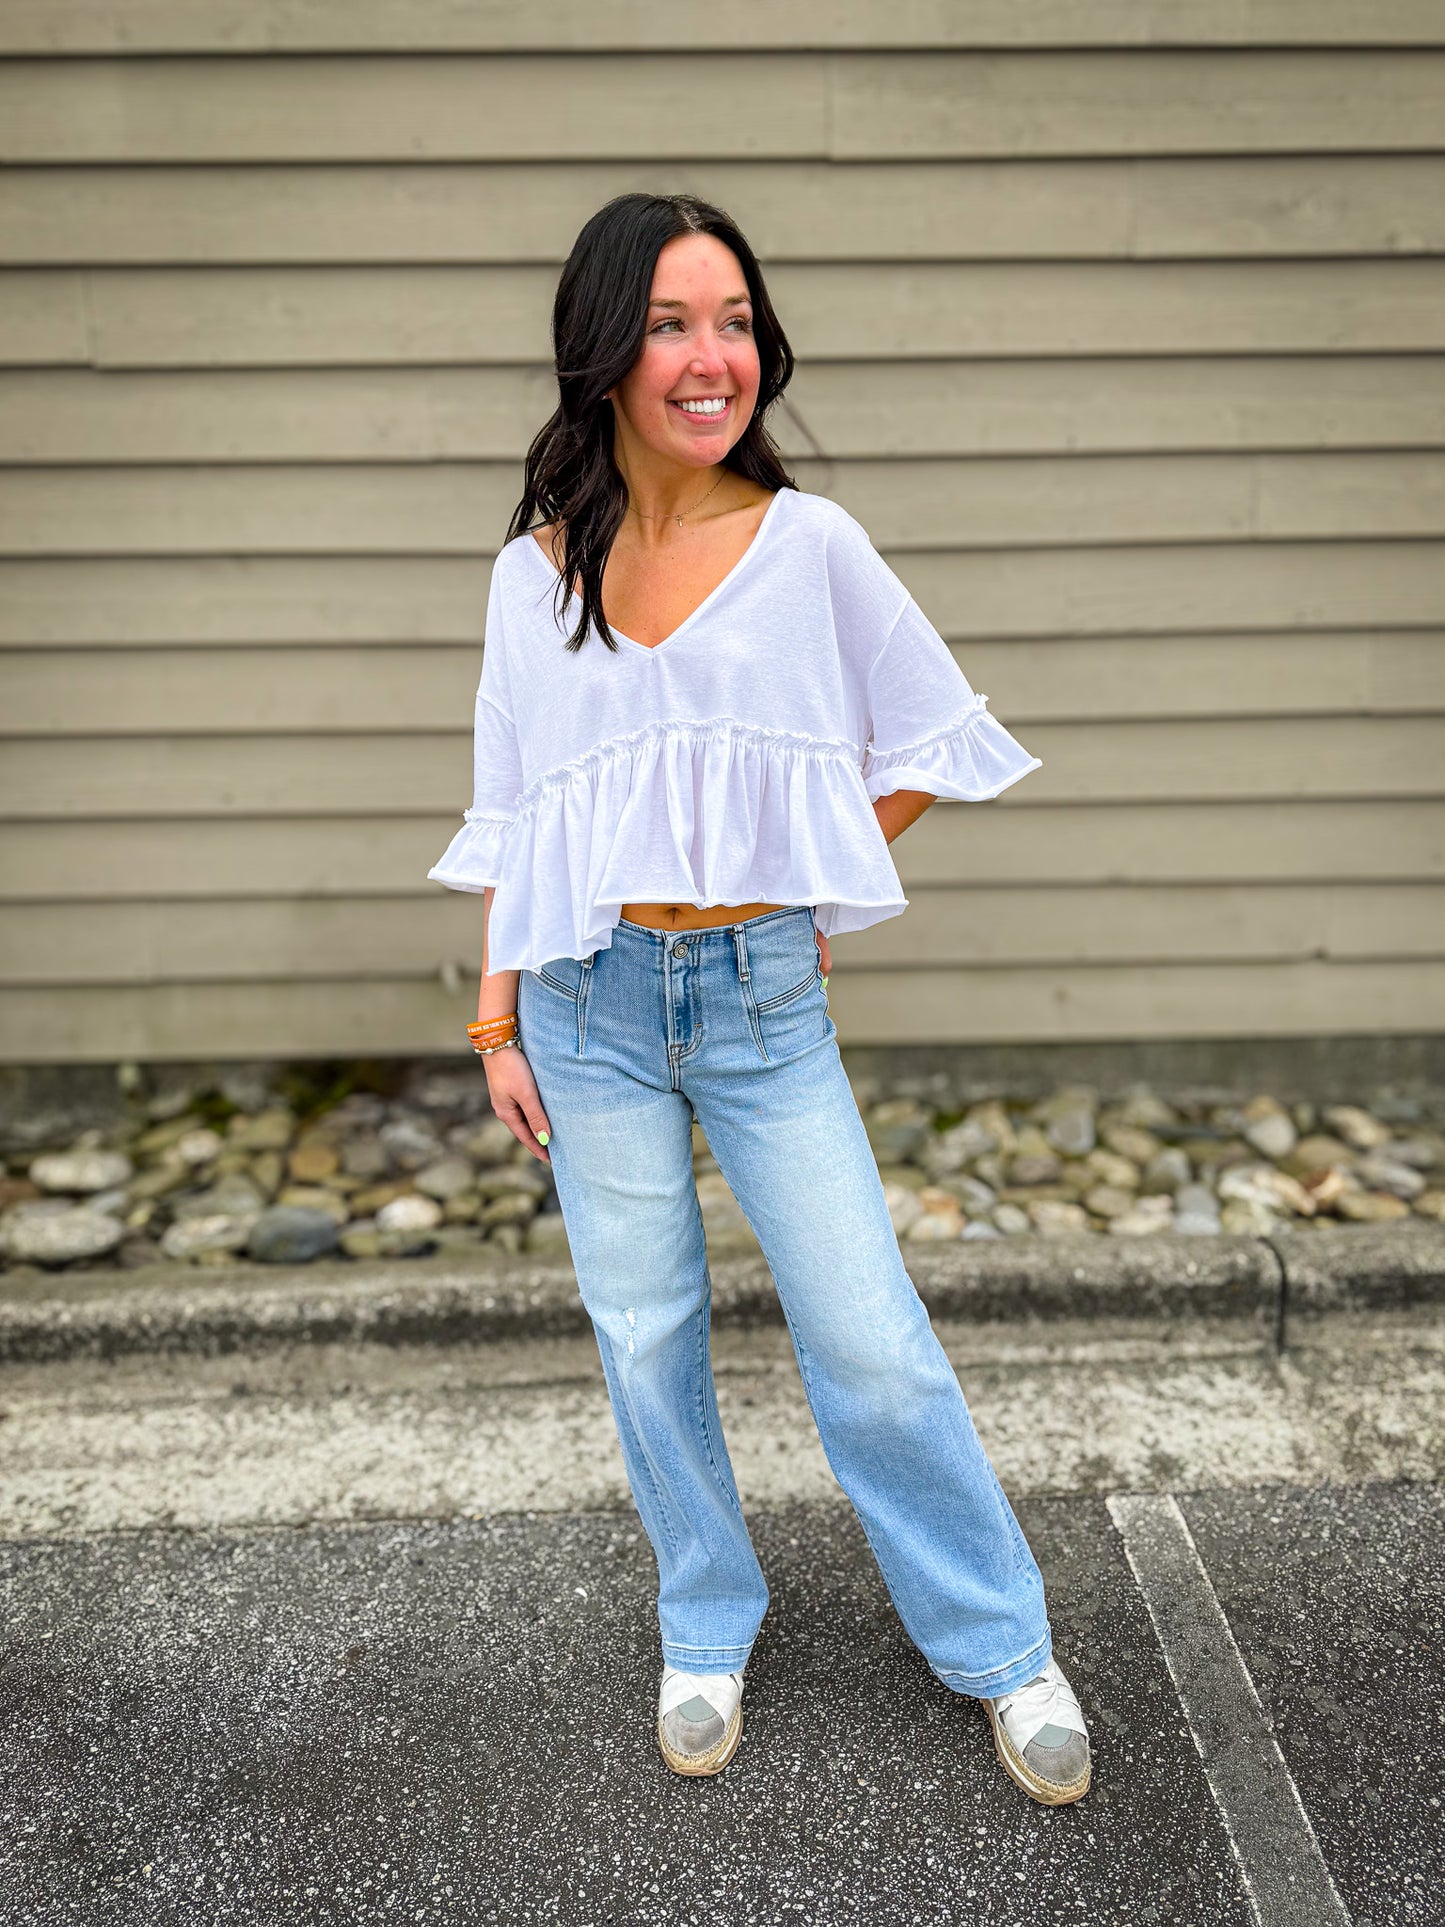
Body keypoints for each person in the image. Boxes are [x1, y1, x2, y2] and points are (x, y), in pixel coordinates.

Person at [427, 192, 1090, 1804]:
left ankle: (1003, 1647)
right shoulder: (534, 576)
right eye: (669, 322)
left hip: (756, 995)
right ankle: (705, 1613)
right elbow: (517, 809)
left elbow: (934, 740)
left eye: (730, 320)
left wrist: (794, 879)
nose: (709, 355)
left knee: (866, 1339)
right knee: (644, 1330)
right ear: (603, 349)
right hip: (582, 1005)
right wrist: (497, 1015)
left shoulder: (810, 548)